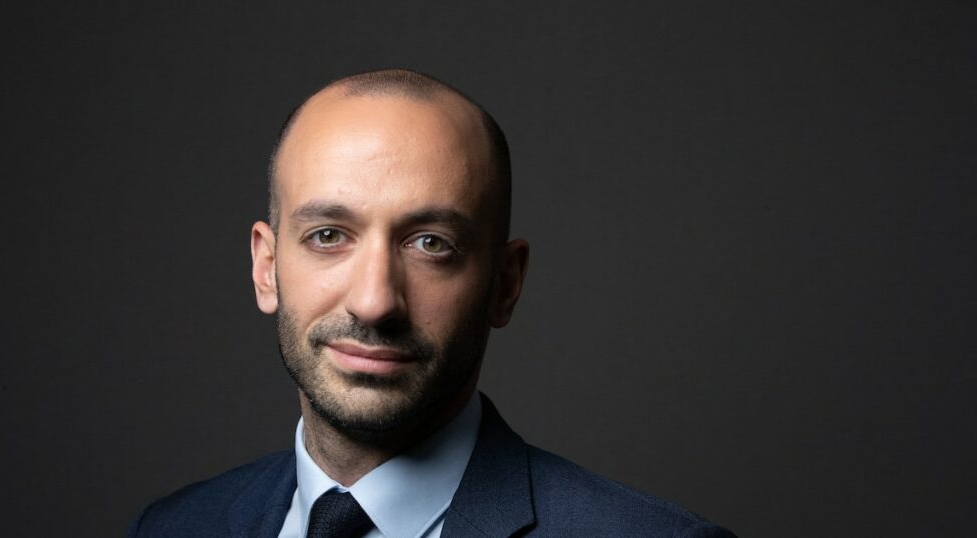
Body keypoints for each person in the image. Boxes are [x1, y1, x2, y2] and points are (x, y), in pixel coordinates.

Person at [128, 69, 736, 537]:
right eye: (328, 236)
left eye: (430, 244)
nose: (373, 302)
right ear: (267, 269)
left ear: (505, 284)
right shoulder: (172, 528)